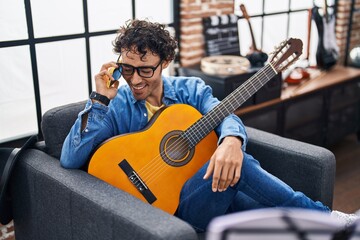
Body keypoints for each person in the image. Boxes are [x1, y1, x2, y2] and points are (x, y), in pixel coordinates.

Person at [60, 19, 358, 232]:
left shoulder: (190, 89)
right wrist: (99, 98)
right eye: (127, 69)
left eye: (145, 69)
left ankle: (327, 226)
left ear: (165, 62)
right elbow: (70, 159)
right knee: (243, 167)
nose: (135, 79)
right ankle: (327, 215)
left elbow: (224, 114)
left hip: (208, 189)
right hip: (170, 209)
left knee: (287, 226)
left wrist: (231, 142)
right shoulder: (117, 104)